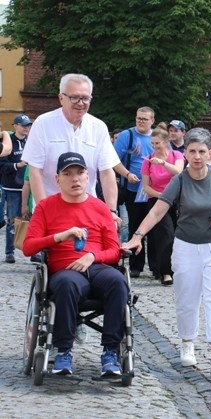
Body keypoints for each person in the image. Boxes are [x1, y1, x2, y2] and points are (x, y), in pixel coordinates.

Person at [122, 128, 211, 376]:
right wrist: (137, 236)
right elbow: (157, 211)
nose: (197, 156)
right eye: (192, 151)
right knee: (188, 298)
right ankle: (187, 345)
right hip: (186, 246)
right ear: (184, 153)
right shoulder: (180, 180)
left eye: (202, 151)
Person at [22, 152, 128, 377]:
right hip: (65, 270)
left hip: (97, 267)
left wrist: (92, 257)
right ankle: (64, 351)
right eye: (68, 174)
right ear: (57, 179)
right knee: (67, 285)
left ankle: (110, 352)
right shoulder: (45, 207)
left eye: (80, 173)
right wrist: (59, 237)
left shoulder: (100, 207)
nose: (75, 179)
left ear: (88, 176)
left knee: (118, 281)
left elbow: (113, 251)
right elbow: (29, 247)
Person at [21, 73, 120, 216]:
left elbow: (106, 172)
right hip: (51, 209)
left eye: (85, 98)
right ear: (61, 98)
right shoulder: (43, 124)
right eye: (74, 97)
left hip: (87, 211)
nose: (80, 103)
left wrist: (111, 210)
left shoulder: (98, 127)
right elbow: (35, 171)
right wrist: (44, 210)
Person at [112, 107, 156, 278]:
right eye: (139, 118)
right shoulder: (127, 136)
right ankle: (136, 266)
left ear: (152, 120)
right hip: (133, 190)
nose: (141, 121)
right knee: (135, 226)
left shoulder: (157, 137)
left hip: (153, 191)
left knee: (154, 228)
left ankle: (155, 265)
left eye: (145, 119)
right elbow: (113, 160)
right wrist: (127, 174)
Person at [140, 125, 185, 286]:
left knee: (179, 235)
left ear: (166, 142)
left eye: (157, 143)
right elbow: (146, 187)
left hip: (178, 201)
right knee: (165, 235)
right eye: (152, 143)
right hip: (158, 201)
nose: (154, 146)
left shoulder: (177, 155)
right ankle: (165, 272)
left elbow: (179, 171)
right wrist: (163, 196)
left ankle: (178, 268)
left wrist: (163, 163)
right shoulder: (148, 161)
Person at [0, 114, 31, 263]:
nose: (26, 127)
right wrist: (17, 165)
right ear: (15, 126)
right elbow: (2, 166)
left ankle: (33, 251)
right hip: (12, 187)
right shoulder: (8, 142)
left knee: (33, 220)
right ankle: (9, 252)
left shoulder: (31, 141)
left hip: (30, 186)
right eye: (23, 124)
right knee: (12, 220)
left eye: (28, 125)